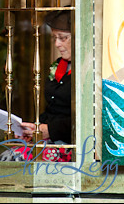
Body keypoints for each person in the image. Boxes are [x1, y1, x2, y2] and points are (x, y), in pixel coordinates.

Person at [18, 10, 73, 159]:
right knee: (9, 157)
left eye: (63, 38)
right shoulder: (58, 66)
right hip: (49, 138)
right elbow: (52, 109)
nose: (57, 44)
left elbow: (85, 118)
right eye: (55, 38)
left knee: (19, 161)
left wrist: (50, 130)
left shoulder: (87, 72)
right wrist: (35, 128)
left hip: (70, 144)